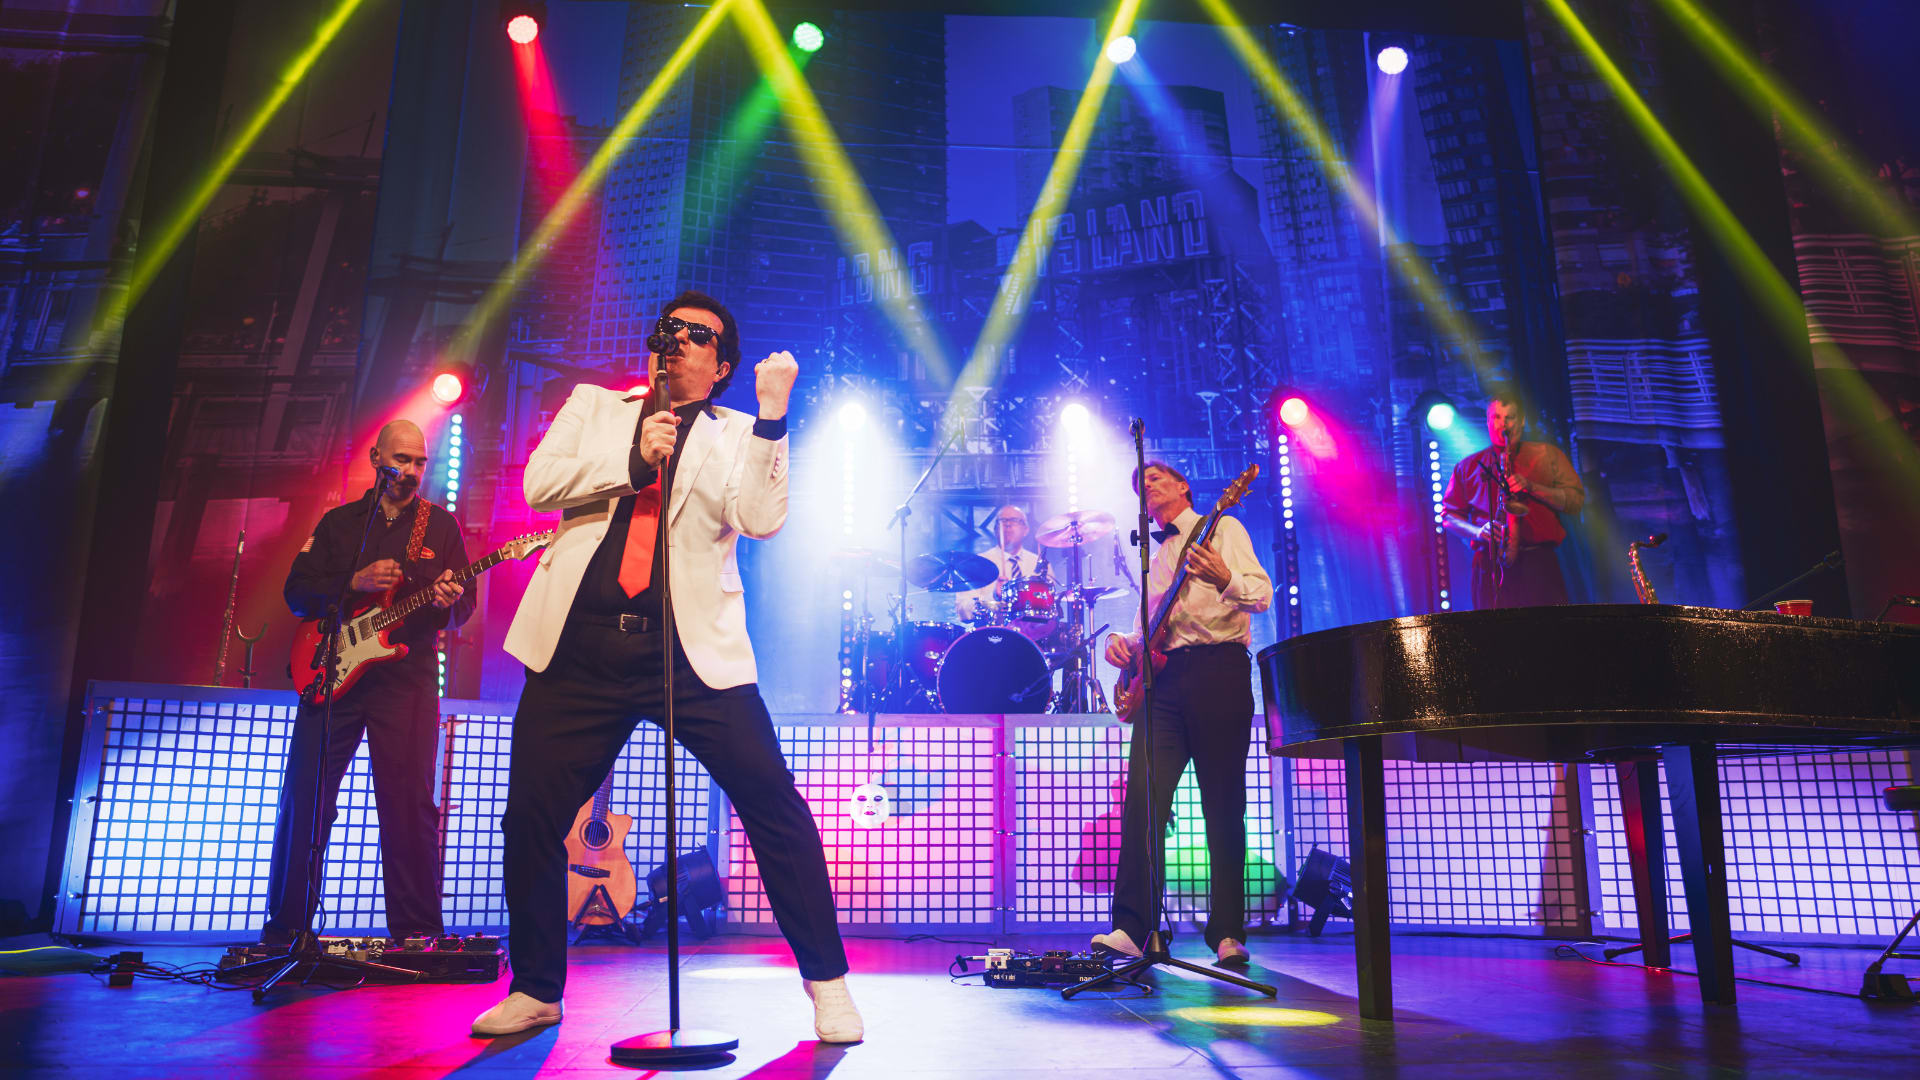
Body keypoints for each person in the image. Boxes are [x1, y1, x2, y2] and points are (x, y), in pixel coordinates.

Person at [471, 291, 861, 1043]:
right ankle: (537, 989)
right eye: (669, 330)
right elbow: (537, 485)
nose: (677, 341)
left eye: (697, 336)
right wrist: (631, 460)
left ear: (721, 367)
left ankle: (829, 985)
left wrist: (773, 415)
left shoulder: (740, 431)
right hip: (578, 647)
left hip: (689, 652)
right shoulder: (596, 407)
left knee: (774, 805)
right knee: (531, 817)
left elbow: (761, 518)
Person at [267, 420, 473, 944]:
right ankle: (287, 929)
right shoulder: (340, 524)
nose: (412, 471)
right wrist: (352, 582)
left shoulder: (440, 526)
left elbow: (463, 605)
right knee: (306, 797)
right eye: (401, 460)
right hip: (331, 673)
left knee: (408, 804)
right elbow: (296, 593)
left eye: (420, 461)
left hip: (405, 679)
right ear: (376, 458)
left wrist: (449, 601)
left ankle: (418, 933)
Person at [1097, 461, 1272, 968]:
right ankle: (1132, 926)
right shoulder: (1154, 555)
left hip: (1219, 669)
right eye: (1139, 483)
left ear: (1183, 486)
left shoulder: (1224, 527)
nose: (1146, 485)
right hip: (1164, 682)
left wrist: (1225, 578)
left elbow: (1261, 594)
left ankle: (1227, 930)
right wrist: (1122, 642)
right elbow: (1149, 627)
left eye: (1155, 477)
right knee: (1144, 801)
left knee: (1223, 803)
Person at [1441, 388, 1586, 609]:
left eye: (1510, 417)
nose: (1503, 425)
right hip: (1489, 563)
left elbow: (1575, 501)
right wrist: (1478, 532)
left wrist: (1532, 487)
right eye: (1496, 417)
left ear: (1522, 421)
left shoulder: (1548, 455)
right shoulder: (1468, 466)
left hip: (1539, 564)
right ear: (1488, 421)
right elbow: (1448, 517)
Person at [955, 504, 1040, 621]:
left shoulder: (1038, 563)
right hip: (991, 630)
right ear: (995, 530)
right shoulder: (976, 563)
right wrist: (992, 597)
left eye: (1014, 520)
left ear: (1026, 530)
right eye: (1002, 521)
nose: (1008, 524)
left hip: (1031, 630)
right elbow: (962, 610)